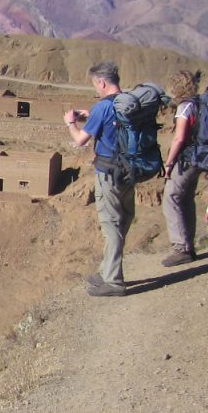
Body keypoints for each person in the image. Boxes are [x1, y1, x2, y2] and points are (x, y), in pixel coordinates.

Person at [65, 61, 129, 297]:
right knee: (121, 220)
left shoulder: (103, 106)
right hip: (130, 171)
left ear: (102, 82)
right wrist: (90, 115)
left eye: (95, 85)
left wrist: (71, 123)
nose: (96, 89)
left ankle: (113, 281)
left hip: (108, 171)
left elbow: (81, 140)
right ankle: (107, 270)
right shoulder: (128, 102)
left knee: (110, 224)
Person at [159, 70, 203, 266]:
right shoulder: (201, 104)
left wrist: (169, 163)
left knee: (171, 197)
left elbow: (179, 138)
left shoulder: (185, 107)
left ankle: (181, 247)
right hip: (200, 159)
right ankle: (189, 247)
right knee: (186, 200)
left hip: (187, 158)